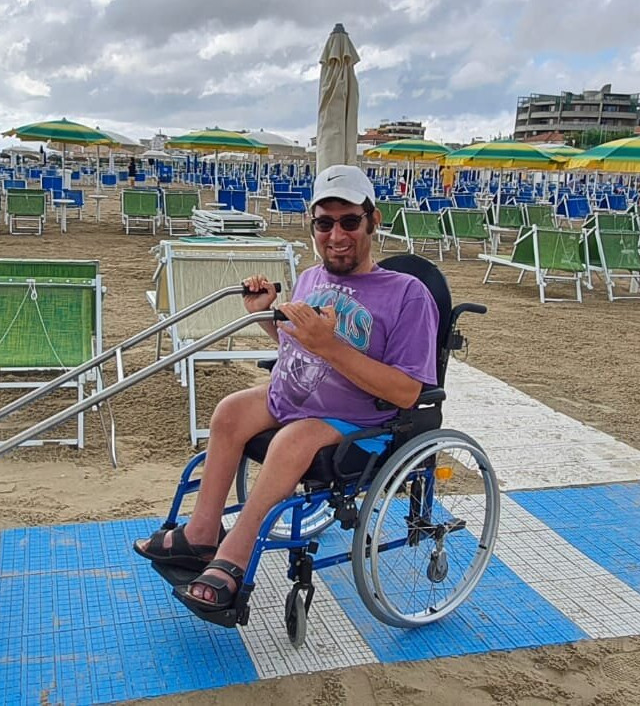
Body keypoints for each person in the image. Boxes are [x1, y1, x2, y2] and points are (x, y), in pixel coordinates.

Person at [133, 164, 439, 620]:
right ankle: (201, 533)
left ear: (373, 221)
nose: (336, 235)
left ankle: (233, 559)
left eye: (349, 221)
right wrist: (264, 314)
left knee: (291, 440)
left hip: (353, 418)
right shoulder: (313, 278)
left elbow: (408, 391)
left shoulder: (408, 295)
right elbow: (297, 347)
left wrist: (330, 346)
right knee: (230, 411)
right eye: (324, 223)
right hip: (294, 396)